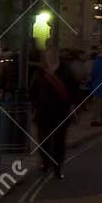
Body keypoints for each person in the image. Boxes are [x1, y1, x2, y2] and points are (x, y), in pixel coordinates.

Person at [29, 48, 75, 179]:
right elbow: (33, 91)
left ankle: (57, 168)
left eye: (52, 56)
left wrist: (70, 105)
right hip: (43, 112)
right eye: (47, 57)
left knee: (59, 141)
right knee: (43, 140)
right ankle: (45, 162)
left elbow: (73, 89)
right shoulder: (39, 73)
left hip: (61, 112)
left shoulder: (66, 72)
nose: (50, 59)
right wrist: (35, 106)